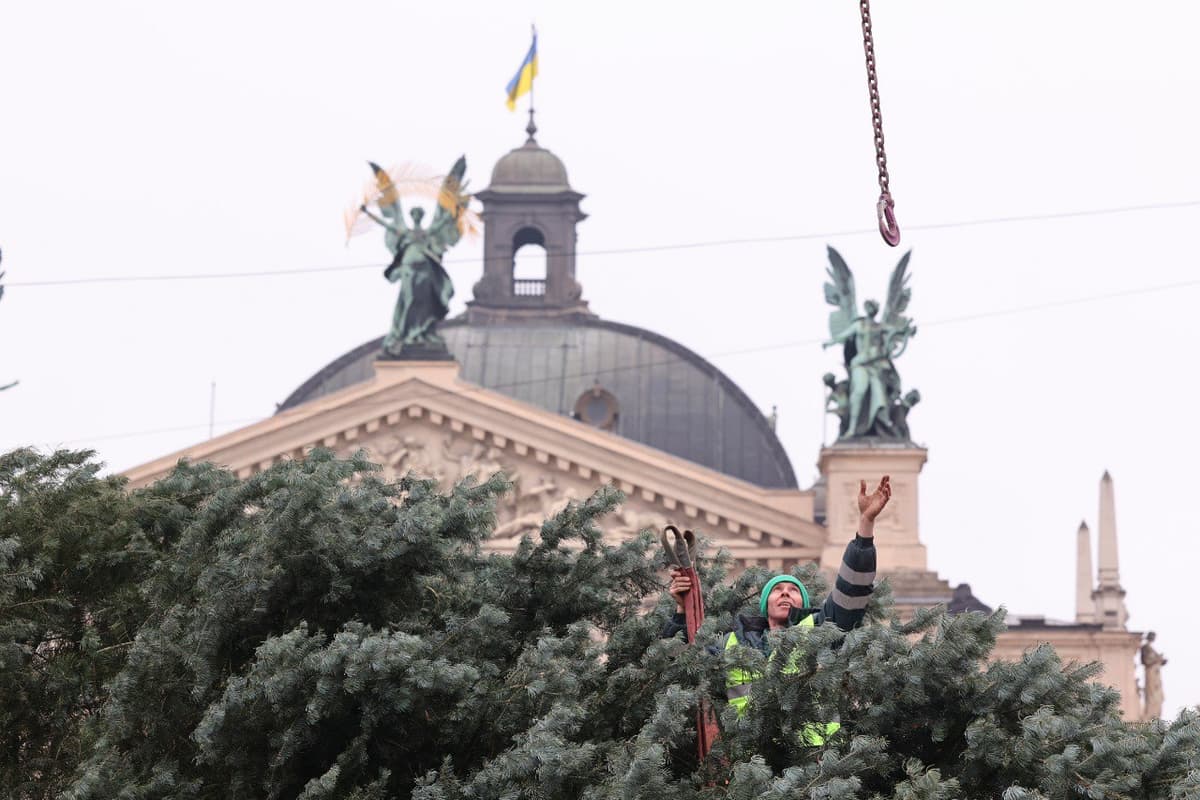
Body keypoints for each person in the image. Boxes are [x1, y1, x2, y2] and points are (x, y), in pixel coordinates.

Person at [663, 475, 891, 743]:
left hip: (811, 762)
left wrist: (866, 524)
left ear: (803, 605)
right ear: (765, 605)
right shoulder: (731, 644)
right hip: (752, 764)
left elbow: (852, 590)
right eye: (777, 590)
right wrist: (681, 611)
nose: (785, 592)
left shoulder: (821, 630)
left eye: (794, 590)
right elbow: (679, 665)